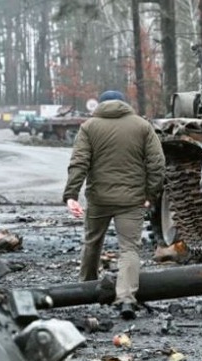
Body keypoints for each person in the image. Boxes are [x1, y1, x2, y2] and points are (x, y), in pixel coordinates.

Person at [63, 90, 165, 320]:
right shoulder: (142, 126)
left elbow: (79, 163)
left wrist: (71, 195)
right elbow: (157, 163)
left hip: (99, 199)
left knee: (92, 242)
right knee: (129, 248)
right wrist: (151, 193)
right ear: (123, 103)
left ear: (100, 105)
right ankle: (126, 298)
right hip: (132, 200)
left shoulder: (89, 127)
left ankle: (87, 288)